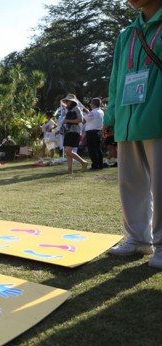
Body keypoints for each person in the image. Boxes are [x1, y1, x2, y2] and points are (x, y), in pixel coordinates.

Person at [103, 0, 162, 269]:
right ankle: (138, 238)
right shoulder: (127, 33)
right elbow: (116, 78)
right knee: (130, 183)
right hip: (128, 119)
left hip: (157, 115)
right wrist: (111, 117)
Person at [61, 94, 88, 173]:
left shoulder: (77, 108)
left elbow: (81, 120)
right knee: (67, 151)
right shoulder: (69, 110)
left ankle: (83, 162)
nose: (66, 102)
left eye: (68, 101)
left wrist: (68, 121)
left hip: (75, 131)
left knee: (68, 151)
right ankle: (70, 170)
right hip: (68, 131)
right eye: (66, 101)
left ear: (72, 102)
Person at [83, 98, 105, 170]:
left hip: (91, 132)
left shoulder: (93, 112)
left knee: (92, 150)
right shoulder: (101, 111)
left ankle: (95, 165)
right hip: (98, 131)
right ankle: (100, 164)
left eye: (91, 103)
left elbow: (84, 119)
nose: (90, 105)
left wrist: (86, 112)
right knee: (98, 149)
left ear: (94, 104)